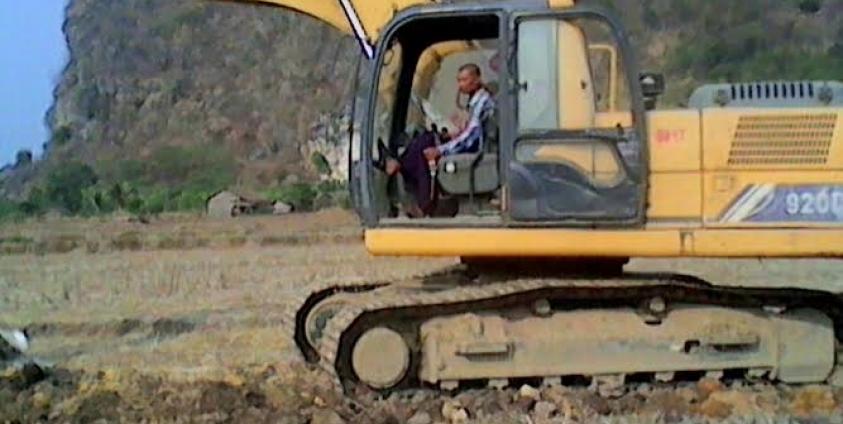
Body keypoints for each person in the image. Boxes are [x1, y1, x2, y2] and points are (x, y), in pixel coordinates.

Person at [386, 63, 495, 216]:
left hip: (476, 151)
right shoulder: (474, 101)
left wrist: (440, 150)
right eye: (458, 80)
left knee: (426, 148)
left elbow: (471, 136)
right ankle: (407, 173)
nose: (460, 85)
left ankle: (424, 203)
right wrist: (451, 136)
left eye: (464, 80)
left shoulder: (483, 101)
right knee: (425, 140)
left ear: (476, 79)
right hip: (470, 144)